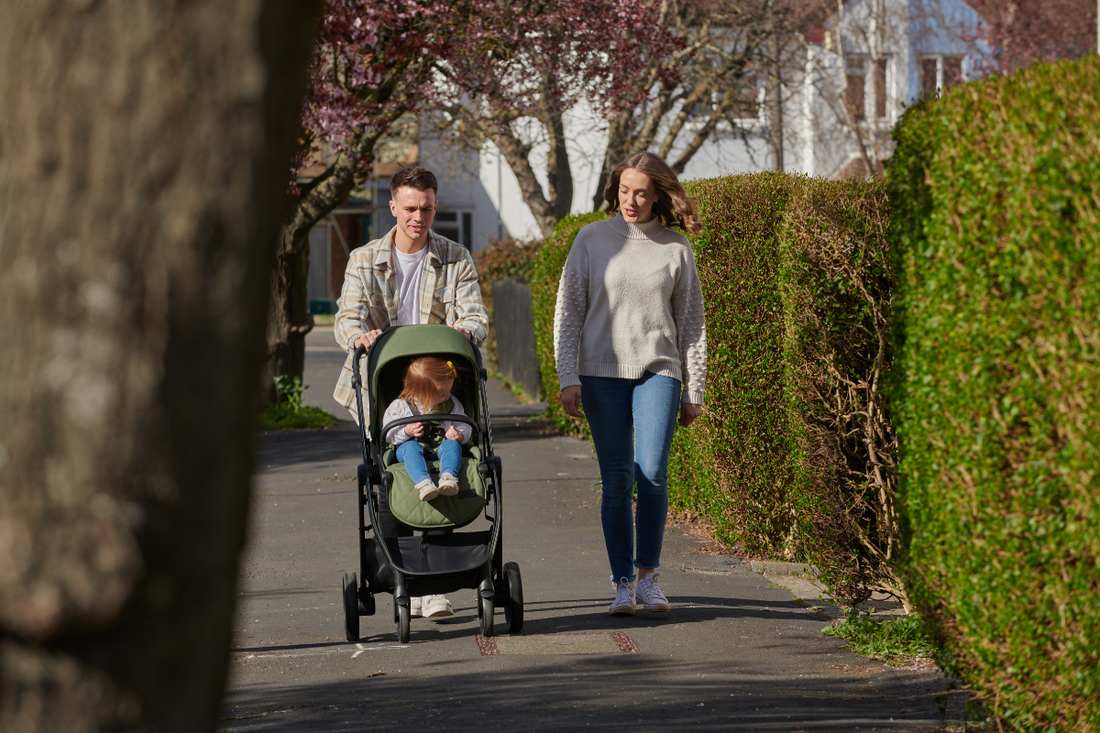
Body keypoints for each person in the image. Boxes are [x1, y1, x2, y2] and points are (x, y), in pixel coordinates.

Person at [553, 152, 707, 616]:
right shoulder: (591, 240)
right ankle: (622, 582)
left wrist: (693, 387)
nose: (631, 200)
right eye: (624, 190)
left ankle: (648, 577)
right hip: (601, 373)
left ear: (658, 193)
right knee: (617, 480)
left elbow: (692, 323)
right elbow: (569, 311)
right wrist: (567, 376)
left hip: (658, 370)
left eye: (640, 192)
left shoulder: (676, 247)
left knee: (653, 471)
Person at [333, 166, 488, 620]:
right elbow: (347, 316)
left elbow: (476, 314)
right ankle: (404, 574)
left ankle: (434, 585)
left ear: (434, 206)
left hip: (436, 378)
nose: (419, 216)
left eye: (427, 208)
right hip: (382, 379)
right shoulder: (364, 258)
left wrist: (465, 327)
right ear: (393, 207)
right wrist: (358, 335)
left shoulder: (455, 257)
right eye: (411, 208)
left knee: (443, 464)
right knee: (388, 473)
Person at [382, 356, 472, 502]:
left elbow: (465, 424)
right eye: (443, 394)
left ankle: (448, 478)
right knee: (410, 447)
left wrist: (459, 435)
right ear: (423, 394)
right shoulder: (400, 407)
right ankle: (424, 483)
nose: (448, 396)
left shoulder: (450, 404)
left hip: (440, 449)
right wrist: (406, 431)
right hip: (410, 451)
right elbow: (388, 435)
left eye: (449, 391)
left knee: (452, 445)